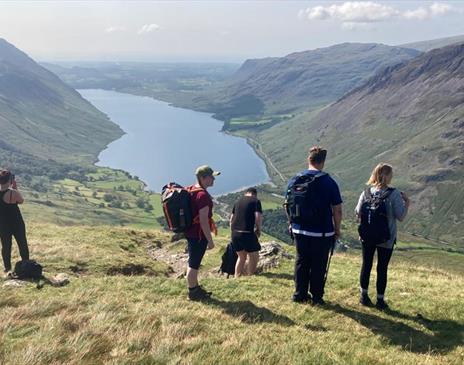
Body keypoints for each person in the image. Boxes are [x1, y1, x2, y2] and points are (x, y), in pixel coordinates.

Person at [286, 146, 343, 305]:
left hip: (299, 229)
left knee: (301, 261)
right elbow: (337, 210)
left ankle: (299, 294)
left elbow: (287, 204)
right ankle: (317, 297)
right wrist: (337, 229)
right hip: (322, 231)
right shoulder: (328, 182)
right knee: (319, 264)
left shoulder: (295, 179)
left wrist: (291, 223)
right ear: (323, 162)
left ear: (308, 159)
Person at [355, 163, 409, 310]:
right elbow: (401, 216)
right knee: (382, 268)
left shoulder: (366, 193)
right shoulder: (394, 194)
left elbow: (358, 212)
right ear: (388, 176)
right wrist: (407, 203)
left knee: (366, 265)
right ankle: (380, 300)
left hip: (367, 237)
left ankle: (364, 296)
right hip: (386, 238)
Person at [184, 165, 220, 300]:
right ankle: (192, 292)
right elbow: (204, 220)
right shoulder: (202, 195)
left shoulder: (192, 189)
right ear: (203, 178)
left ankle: (195, 288)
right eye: (212, 177)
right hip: (198, 235)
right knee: (194, 264)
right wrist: (210, 240)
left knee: (193, 261)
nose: (214, 179)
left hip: (190, 232)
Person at [0, 170, 30, 278]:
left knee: (6, 246)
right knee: (22, 244)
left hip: (3, 224)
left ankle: (7, 269)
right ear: (9, 180)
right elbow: (21, 201)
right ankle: (26, 265)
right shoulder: (13, 192)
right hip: (17, 223)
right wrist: (15, 187)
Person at [230, 187, 263, 277]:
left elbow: (231, 219)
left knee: (241, 257)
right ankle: (250, 275)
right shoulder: (256, 201)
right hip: (247, 233)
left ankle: (237, 276)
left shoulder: (237, 201)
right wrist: (258, 229)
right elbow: (258, 217)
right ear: (255, 194)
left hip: (235, 234)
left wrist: (232, 232)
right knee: (254, 255)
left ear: (246, 193)